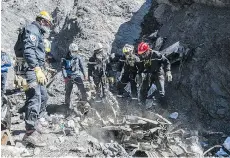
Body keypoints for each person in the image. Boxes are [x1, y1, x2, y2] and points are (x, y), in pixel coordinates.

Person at [19, 11, 53, 146]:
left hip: (37, 69)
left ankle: (36, 122)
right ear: (43, 21)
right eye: (48, 24)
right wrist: (36, 68)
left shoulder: (38, 32)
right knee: (34, 97)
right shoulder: (32, 29)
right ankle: (29, 133)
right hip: (30, 69)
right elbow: (28, 51)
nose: (48, 27)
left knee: (43, 96)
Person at [137, 42, 172, 107]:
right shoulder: (142, 57)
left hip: (158, 73)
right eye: (141, 54)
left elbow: (166, 62)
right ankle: (142, 106)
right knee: (142, 90)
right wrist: (138, 74)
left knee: (161, 92)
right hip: (149, 73)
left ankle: (163, 107)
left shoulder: (156, 55)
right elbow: (141, 67)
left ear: (148, 50)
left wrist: (168, 71)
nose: (142, 56)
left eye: (144, 53)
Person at [61, 43, 89, 110]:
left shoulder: (78, 57)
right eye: (73, 51)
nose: (75, 53)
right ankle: (66, 106)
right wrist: (65, 77)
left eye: (76, 51)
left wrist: (85, 75)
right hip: (68, 77)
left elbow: (82, 66)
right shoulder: (64, 58)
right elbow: (63, 68)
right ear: (70, 51)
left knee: (82, 89)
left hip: (77, 75)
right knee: (68, 92)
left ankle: (84, 103)